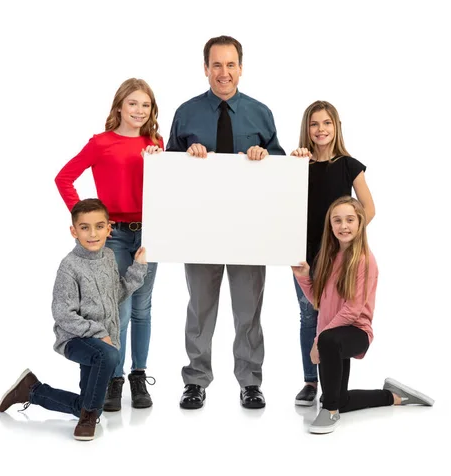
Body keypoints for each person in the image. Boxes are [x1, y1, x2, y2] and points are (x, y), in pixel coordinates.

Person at [167, 35, 285, 409]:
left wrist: (264, 155)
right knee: (200, 308)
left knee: (248, 310)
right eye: (216, 65)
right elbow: (166, 169)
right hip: (200, 230)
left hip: (249, 231)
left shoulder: (261, 113)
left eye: (230, 64)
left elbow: (281, 170)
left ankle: (250, 382)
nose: (224, 72)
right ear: (205, 68)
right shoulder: (186, 113)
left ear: (241, 68)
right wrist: (188, 157)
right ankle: (196, 380)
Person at [0, 199, 148, 441]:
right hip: (75, 338)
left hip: (102, 341)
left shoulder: (108, 257)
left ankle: (32, 390)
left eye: (99, 226)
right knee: (109, 356)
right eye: (85, 227)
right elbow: (63, 313)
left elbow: (115, 295)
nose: (92, 233)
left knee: (92, 405)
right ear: (73, 231)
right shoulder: (69, 266)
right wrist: (99, 333)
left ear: (109, 229)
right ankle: (87, 419)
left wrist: (137, 268)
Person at [55, 78, 163, 411]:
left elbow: (172, 188)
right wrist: (88, 219)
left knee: (143, 308)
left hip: (152, 232)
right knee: (120, 308)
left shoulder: (156, 142)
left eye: (145, 105)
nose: (139, 111)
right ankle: (114, 378)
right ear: (119, 106)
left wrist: (161, 161)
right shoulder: (101, 143)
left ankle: (138, 375)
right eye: (133, 103)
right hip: (114, 236)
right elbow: (64, 177)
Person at [292, 196, 433, 434]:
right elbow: (319, 301)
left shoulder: (365, 260)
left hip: (354, 332)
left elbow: (352, 310)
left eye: (349, 220)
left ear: (360, 223)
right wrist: (304, 276)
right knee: (339, 398)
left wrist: (318, 341)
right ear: (331, 226)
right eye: (337, 221)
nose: (343, 226)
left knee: (330, 396)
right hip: (331, 337)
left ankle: (330, 412)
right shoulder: (328, 257)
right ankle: (393, 396)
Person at [290, 100, 376, 406]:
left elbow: (369, 209)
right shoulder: (299, 165)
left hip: (338, 255)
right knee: (308, 316)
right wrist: (295, 160)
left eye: (326, 123)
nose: (321, 129)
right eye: (314, 124)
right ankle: (310, 381)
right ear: (307, 129)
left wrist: (346, 240)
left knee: (338, 317)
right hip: (307, 256)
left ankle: (333, 386)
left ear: (336, 127)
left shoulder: (349, 165)